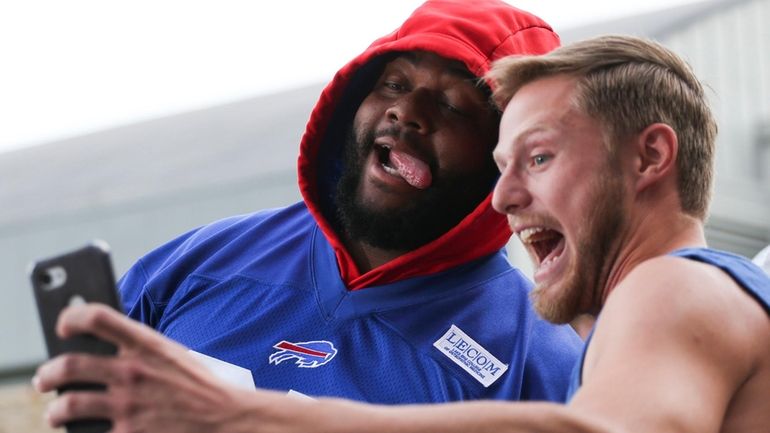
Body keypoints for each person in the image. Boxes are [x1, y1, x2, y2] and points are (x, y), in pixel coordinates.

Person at [36, 34, 770, 432]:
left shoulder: (672, 287)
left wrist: (242, 412)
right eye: (505, 164)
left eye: (539, 157)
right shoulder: (204, 257)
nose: (507, 195)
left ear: (650, 156)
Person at [33, 0, 583, 424]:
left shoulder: (535, 360)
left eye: (452, 104)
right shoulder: (197, 262)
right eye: (393, 83)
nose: (406, 111)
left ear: (503, 155)